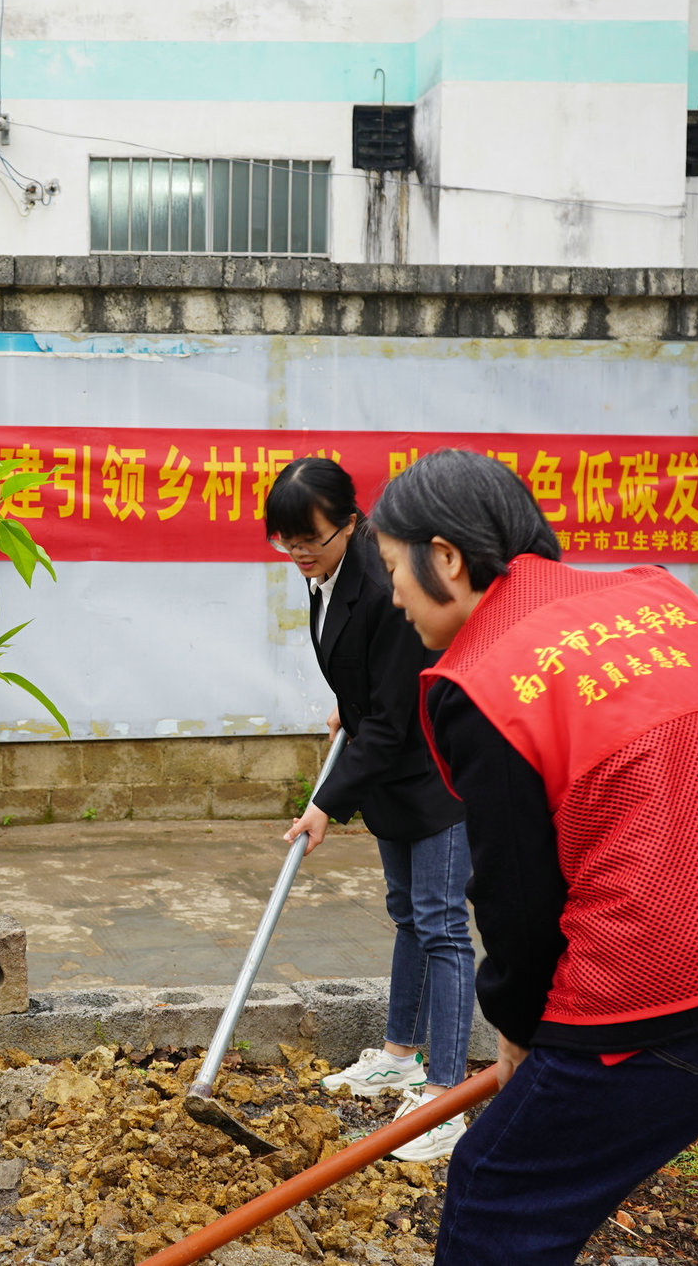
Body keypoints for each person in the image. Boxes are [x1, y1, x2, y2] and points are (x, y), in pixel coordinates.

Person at [368, 448, 698, 1264]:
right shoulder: (650, 594)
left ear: (444, 556)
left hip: (665, 999)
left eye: (391, 564)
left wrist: (518, 1027)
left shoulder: (480, 676)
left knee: (501, 1196)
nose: (392, 592)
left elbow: (516, 897)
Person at [270, 458, 472, 1161]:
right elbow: (368, 683)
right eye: (285, 540)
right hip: (392, 772)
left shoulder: (384, 583)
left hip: (434, 772)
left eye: (311, 539)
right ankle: (401, 1054)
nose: (298, 553)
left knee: (443, 923)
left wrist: (325, 802)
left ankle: (447, 1097)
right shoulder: (325, 575)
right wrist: (344, 704)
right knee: (408, 912)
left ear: (350, 523)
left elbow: (393, 715)